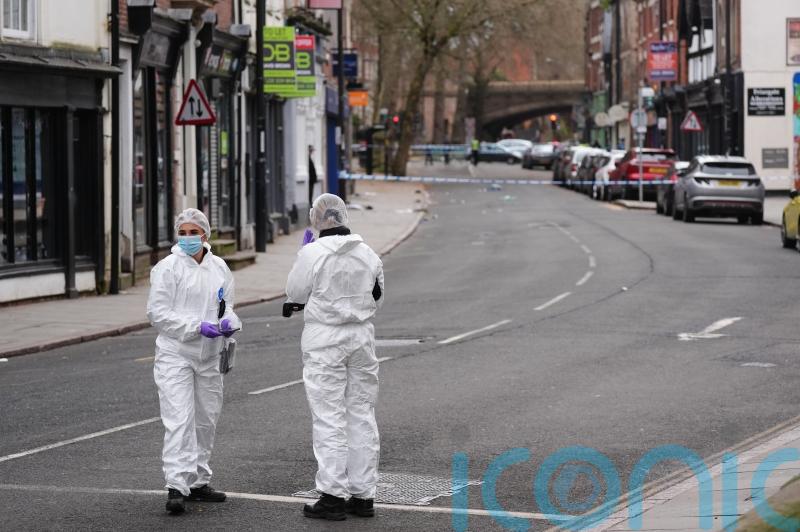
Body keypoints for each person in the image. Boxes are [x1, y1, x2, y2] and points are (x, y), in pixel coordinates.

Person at [286, 194, 384, 521]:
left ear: (316, 220)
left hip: (324, 338)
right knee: (361, 412)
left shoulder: (311, 254)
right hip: (361, 338)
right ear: (344, 217)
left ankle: (331, 495)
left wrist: (304, 255)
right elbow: (377, 295)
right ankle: (363, 494)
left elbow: (296, 293)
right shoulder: (368, 254)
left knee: (329, 415)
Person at [146, 208, 241, 515]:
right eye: (182, 232)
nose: (187, 238)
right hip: (177, 354)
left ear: (205, 234)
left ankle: (198, 480)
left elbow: (226, 306)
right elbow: (157, 314)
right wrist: (195, 327)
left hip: (210, 355)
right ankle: (176, 485)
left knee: (206, 418)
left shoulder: (219, 267)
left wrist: (229, 323)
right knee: (179, 419)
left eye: (192, 232)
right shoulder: (168, 268)